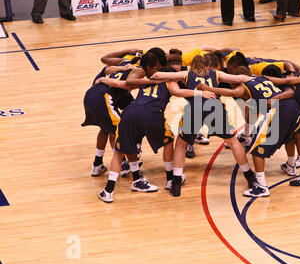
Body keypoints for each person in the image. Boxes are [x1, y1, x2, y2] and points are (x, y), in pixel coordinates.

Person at [96, 55, 218, 203]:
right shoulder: (168, 82)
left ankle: (110, 190)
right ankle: (169, 179)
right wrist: (200, 93)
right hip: (152, 114)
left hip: (130, 113)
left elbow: (120, 84)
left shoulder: (145, 82)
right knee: (168, 141)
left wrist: (103, 79)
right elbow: (179, 92)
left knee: (121, 151)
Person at [149, 54, 260, 197]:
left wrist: (150, 80)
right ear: (208, 65)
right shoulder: (216, 74)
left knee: (181, 143)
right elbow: (239, 78)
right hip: (215, 108)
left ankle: (176, 181)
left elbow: (157, 74)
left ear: (192, 65)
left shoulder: (187, 73)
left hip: (195, 108)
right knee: (233, 141)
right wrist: (259, 80)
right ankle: (250, 176)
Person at [197, 66, 300, 197]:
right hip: (294, 107)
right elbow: (251, 115)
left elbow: (231, 93)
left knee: (255, 149)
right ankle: (291, 166)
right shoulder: (261, 78)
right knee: (290, 138)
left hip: (279, 110)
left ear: (234, 80)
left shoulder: (243, 87)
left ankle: (261, 187)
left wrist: (208, 89)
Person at [81, 49, 143, 177]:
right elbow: (126, 84)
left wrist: (129, 51)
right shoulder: (134, 69)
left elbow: (105, 62)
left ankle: (97, 164)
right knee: (121, 130)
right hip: (103, 97)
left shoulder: (121, 63)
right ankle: (124, 165)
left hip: (92, 95)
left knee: (105, 129)